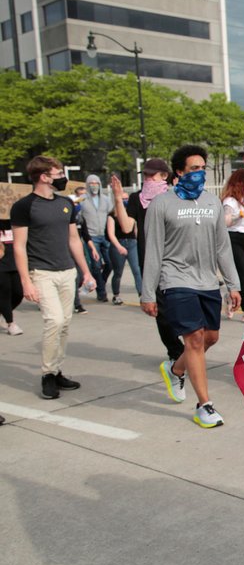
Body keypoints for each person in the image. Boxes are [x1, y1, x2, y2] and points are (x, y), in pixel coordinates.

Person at [140, 145, 240, 429]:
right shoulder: (162, 204)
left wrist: (233, 284)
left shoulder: (212, 203)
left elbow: (222, 247)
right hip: (175, 280)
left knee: (210, 338)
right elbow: (154, 252)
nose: (199, 173)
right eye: (193, 168)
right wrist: (148, 293)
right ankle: (204, 406)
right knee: (194, 339)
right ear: (179, 172)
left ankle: (175, 369)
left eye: (202, 168)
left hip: (207, 280)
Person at [11, 156, 95, 399]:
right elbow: (19, 246)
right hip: (41, 272)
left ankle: (57, 370)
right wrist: (26, 280)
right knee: (55, 321)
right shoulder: (24, 206)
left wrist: (85, 271)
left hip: (67, 271)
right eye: (58, 174)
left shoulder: (66, 203)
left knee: (65, 324)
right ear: (44, 177)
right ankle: (47, 374)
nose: (62, 178)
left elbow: (73, 239)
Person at [110, 159, 185, 369]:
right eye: (145, 175)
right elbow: (126, 227)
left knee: (180, 307)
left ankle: (189, 348)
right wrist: (117, 199)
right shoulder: (137, 198)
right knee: (161, 313)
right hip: (150, 261)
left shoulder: (176, 195)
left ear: (164, 176)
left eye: (152, 175)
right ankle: (175, 351)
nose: (147, 179)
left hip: (177, 260)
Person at [221, 168, 244, 319]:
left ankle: (230, 297)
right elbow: (226, 222)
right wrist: (240, 215)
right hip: (234, 237)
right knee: (243, 274)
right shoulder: (230, 201)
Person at [77, 173, 114, 303]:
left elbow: (111, 213)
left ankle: (100, 282)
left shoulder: (106, 199)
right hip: (91, 237)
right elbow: (78, 217)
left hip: (104, 235)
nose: (94, 185)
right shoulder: (82, 199)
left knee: (110, 263)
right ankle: (102, 293)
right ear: (87, 185)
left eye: (96, 183)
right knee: (96, 265)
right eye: (91, 183)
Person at [0, 219, 25, 335]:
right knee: (5, 292)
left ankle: (4, 311)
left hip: (15, 262)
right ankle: (11, 323)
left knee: (19, 293)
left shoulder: (16, 220)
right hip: (1, 264)